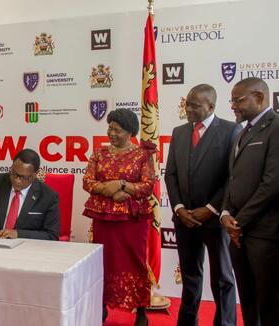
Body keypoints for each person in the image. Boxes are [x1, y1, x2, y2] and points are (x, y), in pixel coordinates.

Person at [165, 84, 238, 326]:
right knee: (190, 278)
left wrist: (211, 209)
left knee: (222, 279)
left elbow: (232, 176)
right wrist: (178, 208)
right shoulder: (179, 132)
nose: (188, 109)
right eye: (187, 103)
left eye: (195, 105)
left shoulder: (230, 130)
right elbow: (171, 174)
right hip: (184, 219)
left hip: (215, 220)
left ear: (211, 106)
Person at [82, 108, 155, 326]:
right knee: (103, 262)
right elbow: (87, 181)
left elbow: (147, 185)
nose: (112, 133)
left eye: (117, 130)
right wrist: (110, 190)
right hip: (103, 218)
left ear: (130, 132)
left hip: (132, 220)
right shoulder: (98, 154)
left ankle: (141, 309)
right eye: (110, 128)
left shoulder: (142, 155)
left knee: (135, 262)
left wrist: (124, 186)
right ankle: (101, 306)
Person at [221, 77, 279, 326]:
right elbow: (232, 178)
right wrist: (224, 212)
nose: (233, 105)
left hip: (265, 234)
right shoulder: (243, 130)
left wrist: (239, 221)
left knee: (270, 304)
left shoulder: (276, 127)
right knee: (248, 302)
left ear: (259, 97)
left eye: (238, 100)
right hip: (239, 234)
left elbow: (273, 182)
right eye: (232, 100)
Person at [0, 149, 59, 240]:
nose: (16, 180)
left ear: (35, 174)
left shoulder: (48, 196)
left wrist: (18, 234)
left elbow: (52, 235)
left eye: (23, 177)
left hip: (26, 249)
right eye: (14, 174)